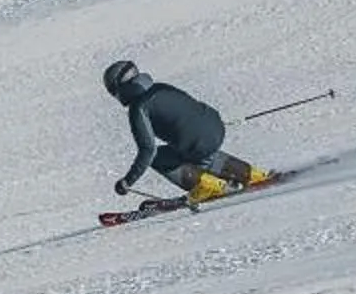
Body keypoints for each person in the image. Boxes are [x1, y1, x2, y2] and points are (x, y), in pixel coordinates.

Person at [103, 59, 276, 203]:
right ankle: (251, 174)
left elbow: (148, 150)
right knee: (199, 150)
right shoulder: (161, 87)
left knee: (159, 157)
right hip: (215, 126)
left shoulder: (139, 108)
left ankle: (206, 186)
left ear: (121, 88)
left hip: (196, 141)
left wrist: (127, 181)